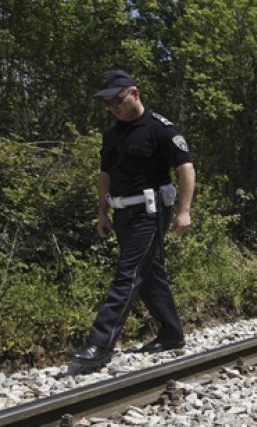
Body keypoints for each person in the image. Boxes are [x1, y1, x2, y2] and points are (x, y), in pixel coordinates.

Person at [70, 69, 196, 369]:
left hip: (150, 212)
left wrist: (183, 210)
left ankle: (99, 346)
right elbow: (105, 174)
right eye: (108, 103)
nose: (113, 107)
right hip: (122, 211)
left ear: (135, 93)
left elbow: (186, 168)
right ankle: (171, 334)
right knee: (149, 272)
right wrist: (102, 212)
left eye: (117, 100)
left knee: (128, 274)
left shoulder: (160, 128)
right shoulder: (112, 132)